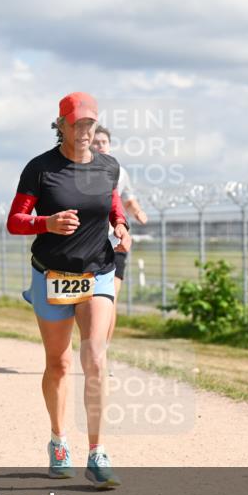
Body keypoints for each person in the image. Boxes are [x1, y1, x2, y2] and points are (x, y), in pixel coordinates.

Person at [7, 92, 131, 488]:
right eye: (76, 123)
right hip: (51, 274)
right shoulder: (40, 169)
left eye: (90, 124)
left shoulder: (109, 167)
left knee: (94, 355)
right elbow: (15, 221)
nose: (84, 130)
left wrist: (122, 226)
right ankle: (59, 441)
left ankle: (98, 452)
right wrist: (46, 223)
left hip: (97, 272)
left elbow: (112, 206)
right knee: (58, 363)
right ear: (60, 124)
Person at [90, 125, 149, 344]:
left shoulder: (119, 171)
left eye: (103, 142)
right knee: (84, 301)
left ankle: (102, 350)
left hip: (115, 241)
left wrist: (138, 212)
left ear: (110, 145)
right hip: (86, 243)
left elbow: (128, 200)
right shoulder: (78, 170)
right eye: (95, 142)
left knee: (109, 298)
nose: (100, 146)